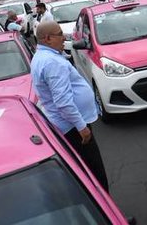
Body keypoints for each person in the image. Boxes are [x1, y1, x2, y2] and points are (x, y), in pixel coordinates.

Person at [30, 21, 108, 191]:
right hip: (73, 127)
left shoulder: (43, 57)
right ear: (48, 39)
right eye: (59, 34)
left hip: (68, 124)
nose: (64, 37)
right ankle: (108, 214)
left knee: (86, 172)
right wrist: (81, 126)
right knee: (95, 173)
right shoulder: (52, 63)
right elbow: (63, 101)